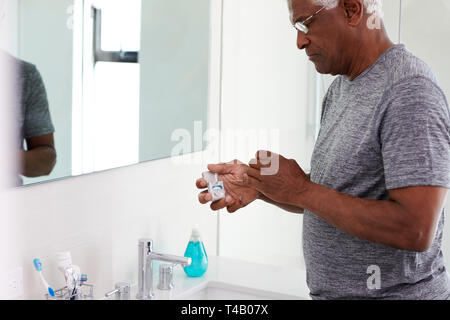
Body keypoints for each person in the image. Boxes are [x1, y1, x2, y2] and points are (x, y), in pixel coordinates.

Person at [196, 0, 450, 300]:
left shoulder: (409, 89)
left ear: (352, 10)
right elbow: (336, 195)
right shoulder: (341, 88)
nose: (300, 41)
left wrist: (300, 190)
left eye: (307, 23)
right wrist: (260, 187)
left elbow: (416, 229)